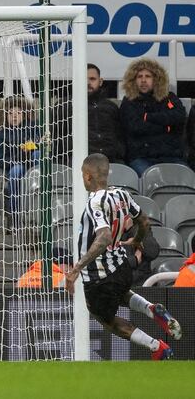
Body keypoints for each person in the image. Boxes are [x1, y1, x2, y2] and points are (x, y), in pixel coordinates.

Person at [64, 153, 182, 360]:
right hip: (122, 266)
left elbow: (104, 237)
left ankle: (157, 347)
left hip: (99, 274)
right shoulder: (122, 194)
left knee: (106, 319)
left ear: (88, 176)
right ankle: (151, 308)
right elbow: (144, 221)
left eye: (83, 175)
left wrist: (76, 269)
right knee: (120, 293)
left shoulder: (94, 203)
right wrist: (137, 240)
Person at [119, 58, 187, 176]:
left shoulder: (169, 98)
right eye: (139, 76)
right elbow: (135, 127)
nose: (143, 80)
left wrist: (147, 117)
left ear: (156, 79)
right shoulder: (129, 101)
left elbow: (179, 116)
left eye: (148, 76)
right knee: (150, 179)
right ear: (133, 80)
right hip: (141, 157)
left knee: (186, 177)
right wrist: (167, 127)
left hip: (171, 156)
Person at [50, 63, 124, 166]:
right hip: (75, 163)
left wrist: (119, 155)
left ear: (100, 81)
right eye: (83, 79)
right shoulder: (64, 105)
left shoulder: (111, 107)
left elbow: (120, 137)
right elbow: (54, 138)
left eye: (92, 79)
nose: (88, 83)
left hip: (110, 161)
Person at [0, 97, 40, 228]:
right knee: (16, 171)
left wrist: (33, 146)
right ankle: (16, 218)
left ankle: (41, 197)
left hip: (33, 164)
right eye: (10, 113)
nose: (14, 116)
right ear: (5, 116)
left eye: (18, 113)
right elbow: (0, 160)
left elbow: (42, 143)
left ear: (24, 115)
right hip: (15, 166)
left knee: (38, 154)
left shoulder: (34, 127)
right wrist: (19, 158)